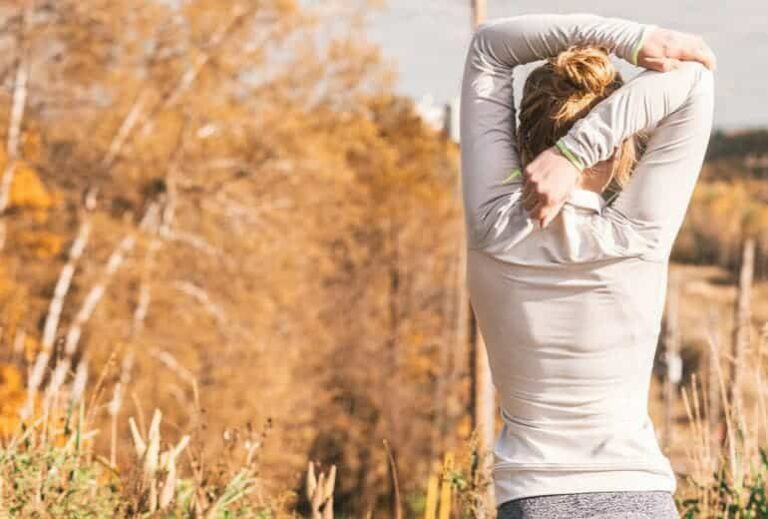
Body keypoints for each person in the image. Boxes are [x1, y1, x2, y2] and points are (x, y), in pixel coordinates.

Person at [458, 13, 716, 519]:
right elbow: (695, 79)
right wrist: (577, 153)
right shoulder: (636, 238)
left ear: (521, 131)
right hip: (639, 498)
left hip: (534, 501)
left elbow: (489, 47)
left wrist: (632, 42)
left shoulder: (493, 228)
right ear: (620, 146)